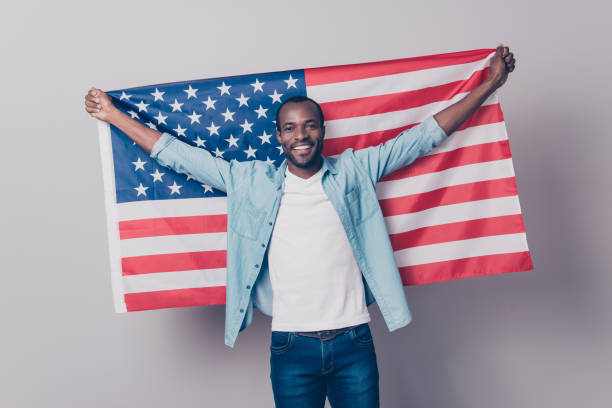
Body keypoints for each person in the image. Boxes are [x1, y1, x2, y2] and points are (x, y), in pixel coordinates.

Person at [85, 45, 515, 408]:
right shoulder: (250, 182)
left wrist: (489, 84)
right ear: (278, 136)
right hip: (290, 348)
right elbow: (177, 155)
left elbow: (423, 137)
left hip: (354, 342)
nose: (301, 135)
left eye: (309, 124)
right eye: (290, 128)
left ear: (323, 129)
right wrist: (112, 115)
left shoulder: (355, 171)